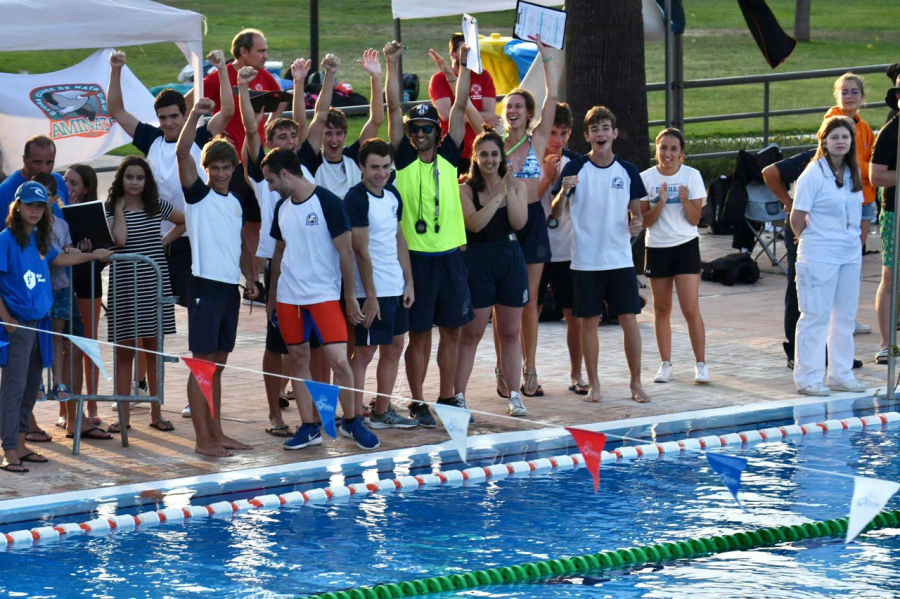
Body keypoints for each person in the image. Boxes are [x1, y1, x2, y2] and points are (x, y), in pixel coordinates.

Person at [109, 49, 233, 419]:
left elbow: (227, 112)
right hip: (157, 245)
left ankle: (200, 391)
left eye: (174, 116)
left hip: (195, 242)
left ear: (184, 114)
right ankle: (145, 390)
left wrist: (221, 69)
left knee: (201, 321)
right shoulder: (150, 139)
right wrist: (116, 69)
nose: (168, 123)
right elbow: (116, 109)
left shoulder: (199, 133)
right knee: (149, 323)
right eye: (162, 117)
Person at [260, 148, 380, 451]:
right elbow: (279, 252)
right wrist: (272, 296)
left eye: (271, 181)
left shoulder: (328, 202)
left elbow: (346, 253)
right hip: (289, 298)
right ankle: (310, 426)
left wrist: (349, 298)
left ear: (285, 173)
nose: (270, 187)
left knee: (339, 361)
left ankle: (352, 421)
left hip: (324, 296)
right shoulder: (282, 207)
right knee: (299, 360)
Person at [384, 40, 472, 427]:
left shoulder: (450, 154)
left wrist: (463, 67)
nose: (421, 133)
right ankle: (417, 401)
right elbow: (393, 107)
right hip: (416, 259)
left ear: (437, 132)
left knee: (452, 332)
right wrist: (392, 64)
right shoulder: (403, 158)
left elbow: (459, 106)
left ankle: (449, 395)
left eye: (427, 128)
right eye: (415, 129)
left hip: (450, 255)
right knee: (419, 335)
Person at [0, 181, 109, 473]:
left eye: (40, 206)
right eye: (30, 205)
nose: (35, 211)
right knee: (13, 388)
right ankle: (8, 449)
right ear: (17, 207)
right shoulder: (6, 239)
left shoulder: (39, 239)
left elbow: (59, 258)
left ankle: (21, 443)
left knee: (30, 386)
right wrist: (6, 318)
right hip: (17, 323)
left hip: (41, 322)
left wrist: (92, 256)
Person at [551, 106, 649, 404]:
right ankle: (594, 384)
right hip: (585, 261)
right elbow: (555, 213)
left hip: (619, 260)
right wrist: (562, 192)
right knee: (588, 322)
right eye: (595, 129)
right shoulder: (575, 168)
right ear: (586, 136)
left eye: (605, 128)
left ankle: (636, 383)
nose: (600, 133)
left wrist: (636, 222)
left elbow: (636, 212)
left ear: (614, 133)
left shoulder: (628, 170)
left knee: (629, 320)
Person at [176, 98, 258, 457]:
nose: (221, 174)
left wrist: (251, 277)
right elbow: (182, 153)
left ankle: (217, 432)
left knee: (218, 365)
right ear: (205, 168)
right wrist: (195, 115)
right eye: (215, 168)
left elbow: (239, 243)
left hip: (229, 289)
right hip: (204, 286)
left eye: (226, 168)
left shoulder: (236, 201)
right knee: (202, 366)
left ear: (234, 168)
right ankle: (202, 440)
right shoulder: (198, 196)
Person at [237, 64, 315, 437]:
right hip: (279, 265)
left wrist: (298, 84)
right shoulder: (262, 172)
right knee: (277, 343)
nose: (288, 139)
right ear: (271, 142)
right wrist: (242, 87)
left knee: (309, 345)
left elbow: (306, 119)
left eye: (291, 135)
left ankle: (314, 411)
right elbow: (251, 130)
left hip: (314, 264)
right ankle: (275, 414)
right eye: (280, 135)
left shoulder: (305, 167)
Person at [497, 36, 559, 399]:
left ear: (528, 113)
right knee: (503, 302)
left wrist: (546, 59)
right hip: (503, 221)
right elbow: (465, 111)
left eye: (519, 106)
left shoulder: (536, 141)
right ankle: (502, 368)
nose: (513, 110)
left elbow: (552, 98)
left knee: (530, 299)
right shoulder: (494, 145)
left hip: (533, 219)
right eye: (509, 105)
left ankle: (530, 367)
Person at [104, 157, 184, 432]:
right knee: (124, 351)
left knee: (153, 350)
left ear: (147, 181)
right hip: (124, 284)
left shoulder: (156, 205)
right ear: (121, 179)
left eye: (140, 177)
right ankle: (123, 417)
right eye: (129, 177)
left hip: (153, 282)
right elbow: (120, 240)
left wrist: (161, 243)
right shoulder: (110, 208)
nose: (134, 182)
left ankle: (156, 413)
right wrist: (118, 208)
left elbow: (183, 222)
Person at [201, 28, 284, 293]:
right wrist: (212, 130)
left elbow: (280, 99)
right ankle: (247, 280)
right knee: (234, 224)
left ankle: (255, 282)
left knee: (255, 224)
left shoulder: (264, 76)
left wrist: (270, 125)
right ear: (243, 52)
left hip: (255, 162)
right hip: (229, 165)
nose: (266, 55)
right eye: (261, 50)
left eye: (266, 50)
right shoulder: (220, 76)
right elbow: (193, 99)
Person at [454, 127, 529, 416]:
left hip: (510, 257)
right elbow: (474, 224)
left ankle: (514, 394)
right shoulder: (465, 189)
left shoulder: (517, 186)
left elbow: (519, 223)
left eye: (495, 154)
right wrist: (498, 196)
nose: (489, 160)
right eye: (484, 154)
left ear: (502, 157)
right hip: (478, 260)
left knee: (510, 332)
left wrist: (508, 190)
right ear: (475, 156)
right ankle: (459, 396)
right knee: (472, 333)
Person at [345, 139, 418, 429]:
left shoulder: (392, 195)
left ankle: (382, 411)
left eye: (386, 167)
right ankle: (353, 416)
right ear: (361, 167)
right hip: (371, 290)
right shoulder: (355, 198)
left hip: (395, 286)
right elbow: (360, 251)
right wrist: (371, 296)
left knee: (395, 347)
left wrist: (408, 282)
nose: (381, 173)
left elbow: (399, 239)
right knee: (364, 353)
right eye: (375, 167)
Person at [791, 116, 866, 396]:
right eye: (834, 137)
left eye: (845, 137)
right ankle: (808, 377)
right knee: (815, 316)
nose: (840, 142)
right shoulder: (812, 174)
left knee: (845, 318)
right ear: (823, 141)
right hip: (818, 255)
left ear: (851, 141)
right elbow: (796, 218)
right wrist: (812, 241)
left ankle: (840, 374)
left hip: (849, 255)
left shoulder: (853, 172)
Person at [640, 128, 709, 384]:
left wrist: (685, 200)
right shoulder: (645, 178)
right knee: (662, 308)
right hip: (657, 247)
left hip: (685, 246)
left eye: (673, 149)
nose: (667, 154)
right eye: (663, 148)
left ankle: (701, 364)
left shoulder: (691, 176)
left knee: (690, 308)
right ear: (656, 149)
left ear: (681, 153)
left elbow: (695, 219)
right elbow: (644, 221)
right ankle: (666, 364)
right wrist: (660, 202)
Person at [534, 103, 587, 396]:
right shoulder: (528, 159)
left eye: (563, 134)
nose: (557, 140)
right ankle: (529, 373)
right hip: (535, 249)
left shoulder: (577, 163)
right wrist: (546, 177)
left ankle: (577, 375)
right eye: (552, 132)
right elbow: (527, 203)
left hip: (567, 249)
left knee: (574, 315)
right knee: (530, 313)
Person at [298, 49, 384, 199]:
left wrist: (375, 77)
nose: (334, 139)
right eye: (328, 133)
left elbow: (376, 120)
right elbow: (320, 116)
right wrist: (330, 74)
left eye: (339, 133)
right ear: (320, 136)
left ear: (345, 136)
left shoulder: (354, 156)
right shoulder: (312, 159)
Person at [61, 164, 106, 431]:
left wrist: (88, 251)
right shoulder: (55, 211)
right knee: (66, 345)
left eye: (73, 183)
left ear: (86, 188)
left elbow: (105, 251)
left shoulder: (93, 213)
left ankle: (91, 405)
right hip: (63, 282)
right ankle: (65, 408)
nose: (67, 187)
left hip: (88, 281)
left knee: (88, 342)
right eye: (65, 181)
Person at [428, 32, 499, 174]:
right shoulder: (439, 79)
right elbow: (446, 115)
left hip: (481, 150)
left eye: (471, 50)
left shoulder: (483, 76)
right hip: (453, 149)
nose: (468, 54)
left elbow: (490, 114)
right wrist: (481, 116)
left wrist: (463, 116)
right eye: (463, 50)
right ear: (452, 54)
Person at [872, 78, 900, 364]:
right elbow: (876, 176)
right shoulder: (892, 131)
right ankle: (887, 346)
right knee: (891, 278)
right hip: (895, 213)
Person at [0, 135, 69, 220]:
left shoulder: (58, 180)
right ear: (25, 160)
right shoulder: (4, 192)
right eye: (37, 162)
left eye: (49, 162)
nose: (44, 169)